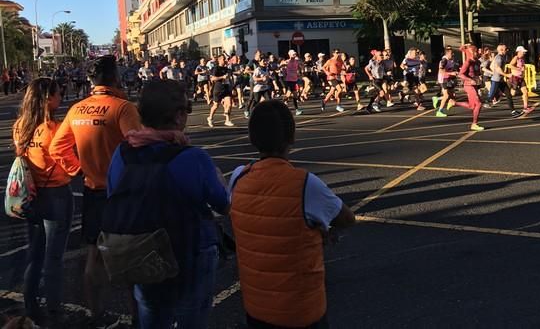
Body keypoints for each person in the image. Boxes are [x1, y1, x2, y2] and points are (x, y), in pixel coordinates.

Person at [106, 80, 230, 329]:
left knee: (151, 312)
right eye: (187, 109)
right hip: (189, 250)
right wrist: (219, 179)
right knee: (191, 314)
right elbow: (224, 204)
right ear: (177, 116)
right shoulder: (193, 158)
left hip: (142, 250)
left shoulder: (122, 153)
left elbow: (112, 193)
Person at [229, 100, 355, 329]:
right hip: (299, 308)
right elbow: (347, 219)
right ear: (292, 137)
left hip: (256, 303)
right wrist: (325, 231)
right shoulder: (305, 184)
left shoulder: (238, 177)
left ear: (252, 138)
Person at [49, 55, 142, 324]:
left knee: (94, 255)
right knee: (130, 256)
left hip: (92, 190)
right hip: (121, 192)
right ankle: (137, 317)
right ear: (114, 78)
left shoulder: (77, 109)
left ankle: (95, 314)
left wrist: (77, 168)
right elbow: (137, 145)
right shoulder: (123, 107)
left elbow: (57, 147)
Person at [13, 79, 76, 324]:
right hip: (55, 193)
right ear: (48, 98)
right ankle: (54, 311)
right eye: (58, 94)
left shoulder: (20, 126)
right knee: (54, 257)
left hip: (30, 194)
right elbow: (66, 159)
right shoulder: (53, 128)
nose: (61, 98)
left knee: (35, 253)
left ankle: (30, 305)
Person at [207, 55, 234, 128]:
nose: (225, 60)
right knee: (216, 105)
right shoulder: (216, 68)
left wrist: (232, 87)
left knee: (229, 104)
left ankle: (227, 120)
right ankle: (210, 118)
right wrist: (222, 77)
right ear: (219, 60)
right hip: (218, 89)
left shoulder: (227, 69)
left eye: (225, 59)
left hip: (226, 88)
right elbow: (212, 79)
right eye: (223, 59)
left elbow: (230, 78)